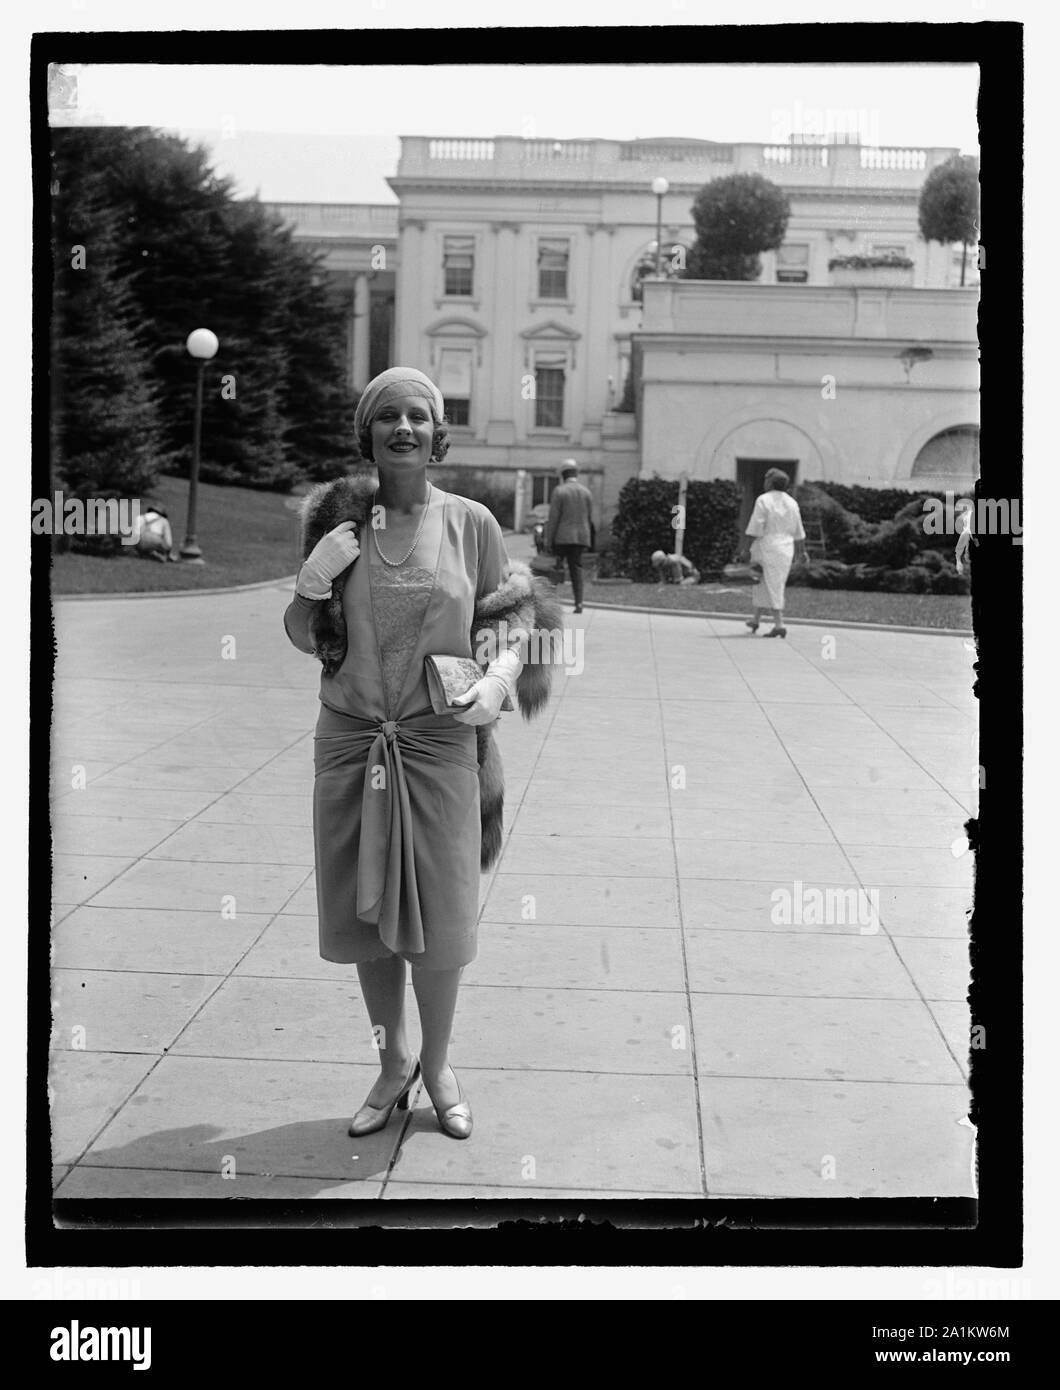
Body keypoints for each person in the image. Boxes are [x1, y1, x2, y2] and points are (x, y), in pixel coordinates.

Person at [283, 367, 557, 1143]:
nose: (402, 428)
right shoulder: (339, 520)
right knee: (369, 912)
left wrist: (502, 678)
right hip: (352, 740)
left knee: (441, 915)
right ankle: (391, 1063)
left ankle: (439, 1066)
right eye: (387, 416)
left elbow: (514, 617)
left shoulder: (471, 521)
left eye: (417, 416)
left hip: (440, 743)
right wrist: (312, 583)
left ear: (436, 434)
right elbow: (309, 638)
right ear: (367, 432)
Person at [738, 469, 807, 637]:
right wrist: (802, 552)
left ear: (769, 482)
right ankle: (755, 619)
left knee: (773, 585)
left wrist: (746, 549)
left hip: (767, 546)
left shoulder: (764, 500)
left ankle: (779, 624)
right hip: (785, 548)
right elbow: (799, 531)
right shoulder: (792, 502)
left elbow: (755, 527)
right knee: (764, 581)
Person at [544, 459, 594, 614]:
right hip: (580, 538)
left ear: (562, 475)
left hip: (562, 537)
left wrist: (548, 540)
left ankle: (550, 604)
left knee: (556, 570)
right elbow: (590, 517)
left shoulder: (559, 491)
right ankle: (579, 603)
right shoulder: (586, 492)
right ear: (576, 474)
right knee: (576, 570)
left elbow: (554, 518)